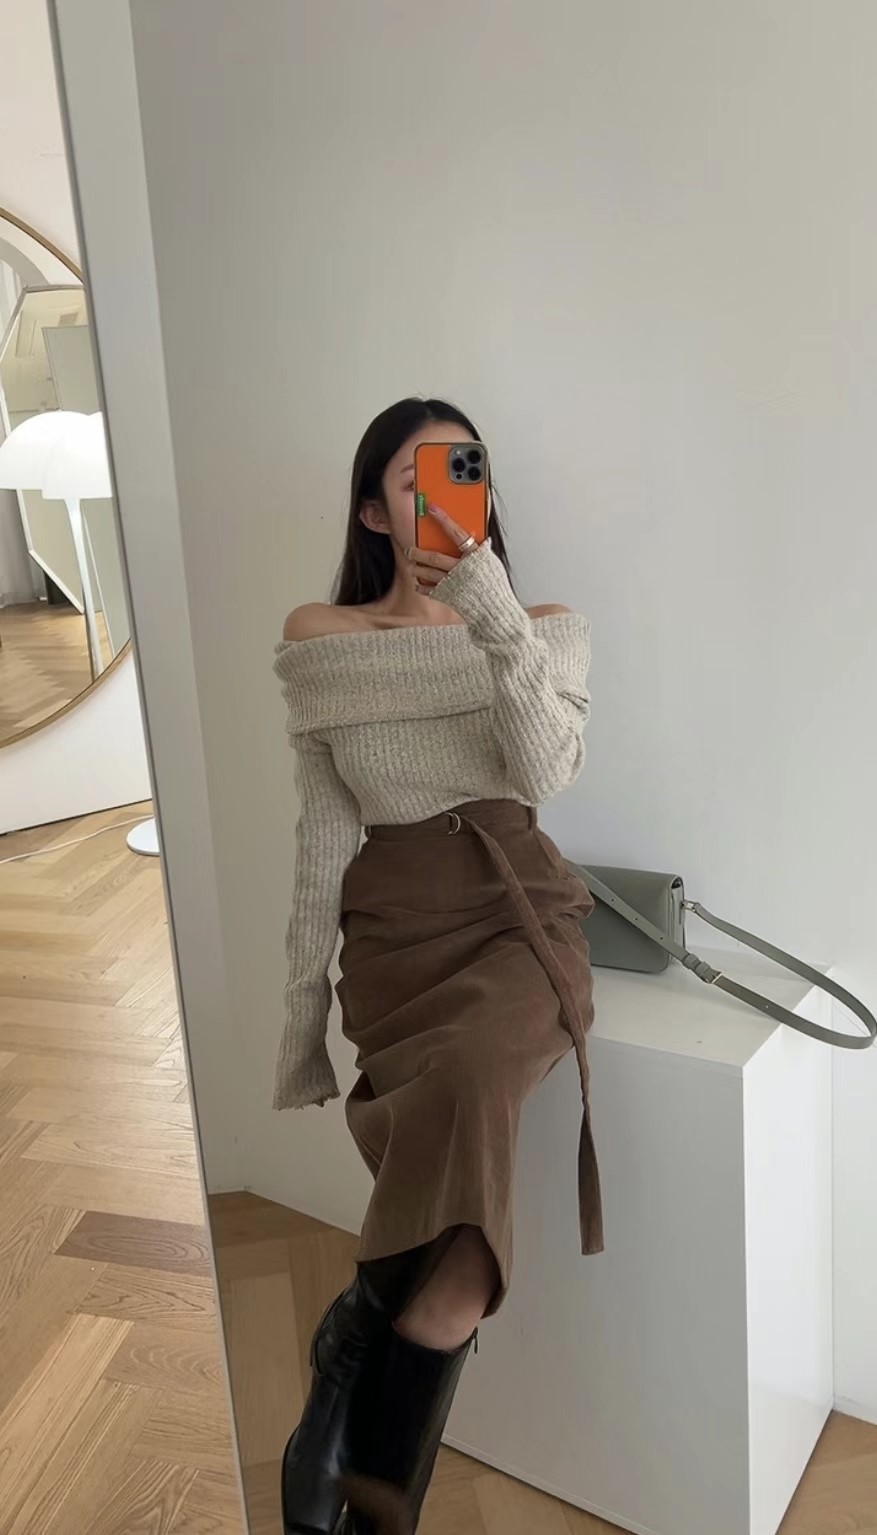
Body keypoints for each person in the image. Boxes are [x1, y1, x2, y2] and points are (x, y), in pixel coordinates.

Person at [273, 398, 602, 1535]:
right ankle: (379, 1484)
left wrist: (490, 611)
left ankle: (355, 1343)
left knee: (467, 1087)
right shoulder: (322, 635)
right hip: (395, 931)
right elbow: (322, 836)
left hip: (519, 916)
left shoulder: (542, 624)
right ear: (372, 508)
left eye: (464, 473)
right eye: (415, 481)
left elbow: (545, 772)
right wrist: (300, 1017)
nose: (446, 499)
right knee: (460, 1255)